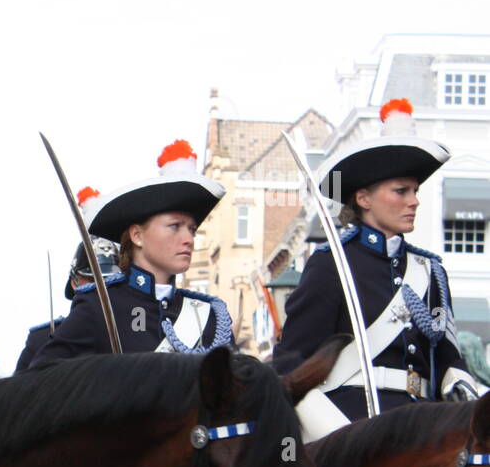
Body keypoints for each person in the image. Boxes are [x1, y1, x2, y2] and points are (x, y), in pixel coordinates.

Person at [273, 98, 480, 439]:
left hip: (423, 423)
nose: (414, 200)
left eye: (415, 190)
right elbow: (292, 362)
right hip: (350, 425)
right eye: (401, 191)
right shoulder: (332, 264)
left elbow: (448, 357)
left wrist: (459, 386)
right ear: (364, 199)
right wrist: (326, 430)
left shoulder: (430, 271)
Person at [29, 141, 232, 367]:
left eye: (192, 229)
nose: (189, 239)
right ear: (137, 236)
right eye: (175, 226)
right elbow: (42, 378)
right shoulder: (100, 306)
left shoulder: (207, 315)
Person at [16, 187, 119, 372]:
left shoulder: (137, 327)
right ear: (75, 282)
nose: (102, 288)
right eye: (92, 280)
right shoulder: (42, 339)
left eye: (110, 281)